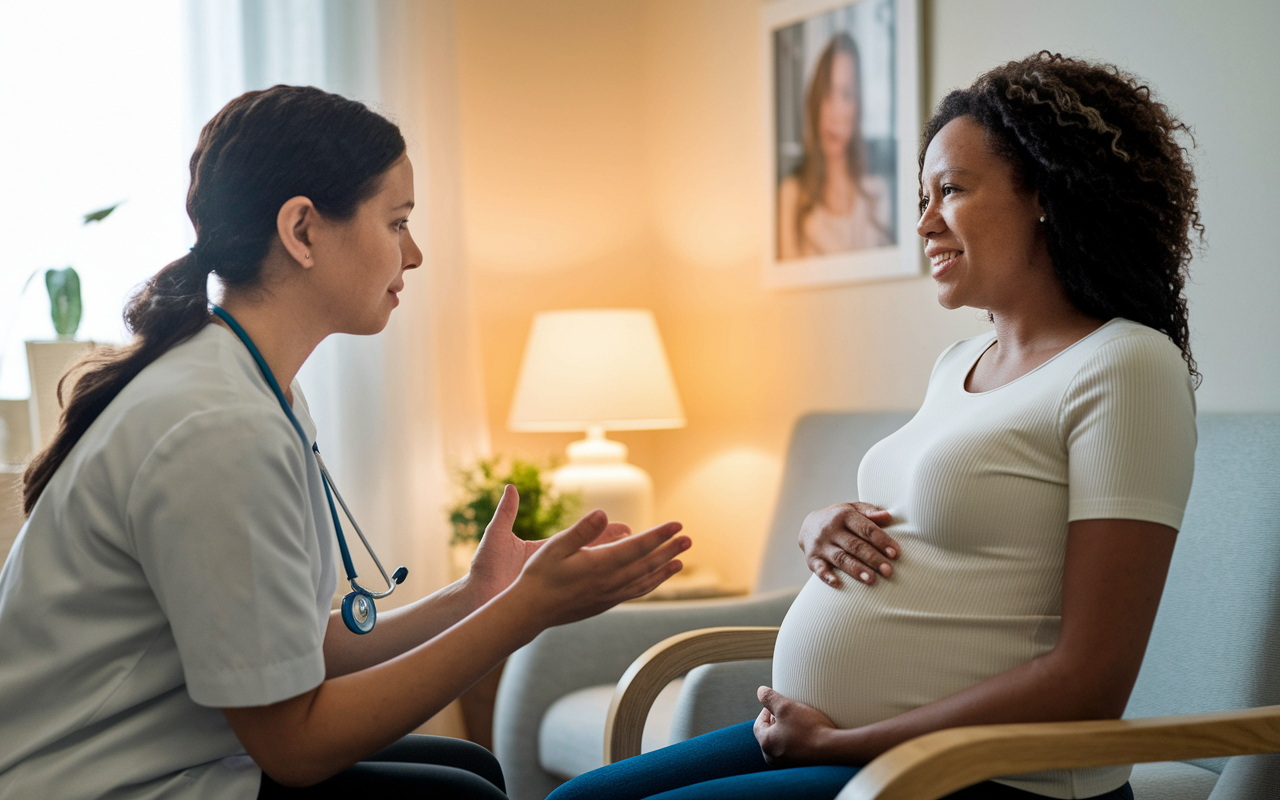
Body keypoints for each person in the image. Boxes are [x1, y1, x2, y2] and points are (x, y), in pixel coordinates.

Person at [0, 85, 690, 799]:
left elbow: (280, 651)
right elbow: (295, 746)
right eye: (397, 223)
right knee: (466, 793)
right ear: (301, 231)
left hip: (162, 763)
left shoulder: (249, 386)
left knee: (470, 767)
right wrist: (523, 612)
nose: (415, 254)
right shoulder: (220, 426)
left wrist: (476, 596)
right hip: (89, 787)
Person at [549, 51, 1200, 800]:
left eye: (950, 191)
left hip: (989, 778)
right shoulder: (959, 361)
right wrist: (820, 525)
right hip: (850, 751)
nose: (924, 224)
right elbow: (942, 534)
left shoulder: (1126, 366)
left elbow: (1090, 681)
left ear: (1046, 195)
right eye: (923, 196)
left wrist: (847, 741)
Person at [777, 32, 894, 260]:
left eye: (847, 94)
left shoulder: (877, 194)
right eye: (827, 93)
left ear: (858, 106)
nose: (835, 113)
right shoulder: (791, 196)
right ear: (815, 102)